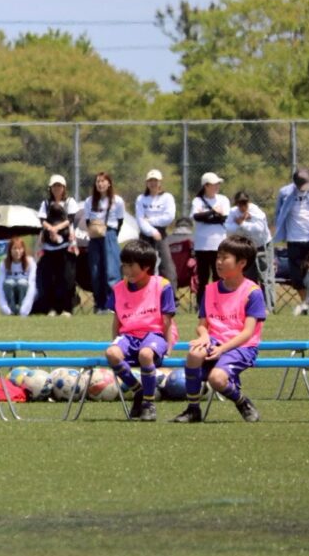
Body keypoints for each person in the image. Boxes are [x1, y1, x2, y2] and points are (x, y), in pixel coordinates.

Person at [172, 234, 264, 423]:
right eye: (218, 257)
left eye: (225, 258)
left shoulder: (252, 292)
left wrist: (222, 349)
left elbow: (248, 333)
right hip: (214, 341)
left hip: (242, 346)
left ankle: (242, 402)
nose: (219, 262)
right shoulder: (210, 289)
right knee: (194, 354)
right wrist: (204, 336)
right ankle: (193, 409)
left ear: (242, 263)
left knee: (217, 379)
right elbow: (202, 325)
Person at [104, 240, 178, 422]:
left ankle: (148, 403)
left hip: (154, 335)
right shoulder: (118, 289)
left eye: (131, 266)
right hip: (128, 336)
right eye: (124, 265)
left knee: (146, 354)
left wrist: (167, 348)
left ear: (146, 267)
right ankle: (138, 390)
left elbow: (167, 320)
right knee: (111, 353)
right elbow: (117, 320)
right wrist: (116, 342)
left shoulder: (162, 285)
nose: (126, 270)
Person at [273, 168, 309, 294]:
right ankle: (306, 302)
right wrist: (281, 232)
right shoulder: (285, 193)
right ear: (295, 183)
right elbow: (279, 213)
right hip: (294, 239)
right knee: (297, 276)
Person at [37, 175, 80, 316]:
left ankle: (67, 308)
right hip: (49, 247)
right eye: (54, 186)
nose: (57, 189)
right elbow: (42, 219)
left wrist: (57, 228)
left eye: (59, 186)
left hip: (66, 246)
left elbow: (71, 219)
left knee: (67, 278)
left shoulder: (69, 202)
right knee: (50, 279)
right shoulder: (45, 203)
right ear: (50, 188)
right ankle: (52, 308)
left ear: (64, 188)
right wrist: (50, 229)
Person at [83, 172, 125, 313]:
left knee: (111, 270)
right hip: (95, 236)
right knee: (96, 270)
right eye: (98, 181)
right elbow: (88, 220)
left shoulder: (117, 201)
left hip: (110, 234)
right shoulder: (89, 201)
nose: (100, 184)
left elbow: (120, 220)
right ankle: (99, 304)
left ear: (109, 183)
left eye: (103, 181)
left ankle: (112, 303)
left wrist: (110, 233)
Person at [190, 172, 230, 307]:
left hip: (219, 244)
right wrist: (213, 212)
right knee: (203, 278)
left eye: (218, 184)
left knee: (219, 276)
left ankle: (219, 303)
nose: (217, 186)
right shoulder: (197, 201)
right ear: (206, 186)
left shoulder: (223, 199)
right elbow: (196, 217)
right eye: (214, 184)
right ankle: (201, 305)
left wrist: (207, 217)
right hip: (202, 246)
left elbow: (224, 218)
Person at [135, 169, 177, 290]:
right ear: (147, 183)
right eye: (150, 181)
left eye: (156, 180)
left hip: (161, 233)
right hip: (145, 234)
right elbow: (140, 220)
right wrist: (152, 231)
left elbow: (169, 217)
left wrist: (150, 221)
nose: (153, 183)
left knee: (167, 266)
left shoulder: (167, 197)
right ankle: (143, 292)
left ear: (160, 182)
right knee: (144, 265)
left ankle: (170, 294)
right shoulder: (141, 199)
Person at [225, 191, 272, 286]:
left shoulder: (256, 211)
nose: (242, 206)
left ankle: (267, 296)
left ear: (248, 202)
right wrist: (241, 223)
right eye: (240, 204)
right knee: (248, 277)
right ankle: (252, 296)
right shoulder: (233, 212)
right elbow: (228, 230)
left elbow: (258, 229)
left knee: (265, 278)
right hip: (246, 248)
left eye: (244, 203)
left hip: (262, 246)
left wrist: (242, 223)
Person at [0, 237, 36, 316]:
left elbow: (32, 284)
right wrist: (4, 308)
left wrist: (24, 309)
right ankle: (12, 310)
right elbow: (0, 285)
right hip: (10, 292)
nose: (17, 251)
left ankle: (21, 309)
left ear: (23, 250)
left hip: (24, 292)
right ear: (10, 250)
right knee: (8, 283)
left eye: (20, 249)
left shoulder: (30, 262)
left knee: (22, 283)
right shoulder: (4, 263)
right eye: (14, 249)